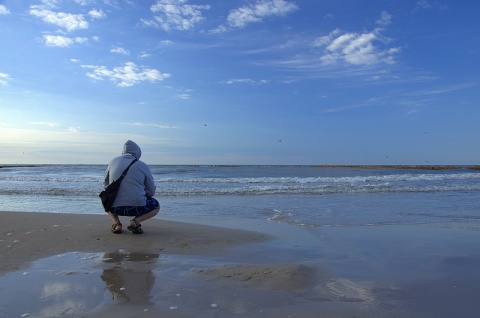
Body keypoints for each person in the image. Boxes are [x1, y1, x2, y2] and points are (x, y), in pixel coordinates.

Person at [103, 140, 160, 234]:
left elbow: (105, 185)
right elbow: (151, 191)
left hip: (115, 208)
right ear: (138, 152)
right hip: (137, 207)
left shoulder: (113, 162)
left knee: (104, 199)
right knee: (156, 205)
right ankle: (135, 221)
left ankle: (116, 223)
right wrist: (139, 194)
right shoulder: (143, 165)